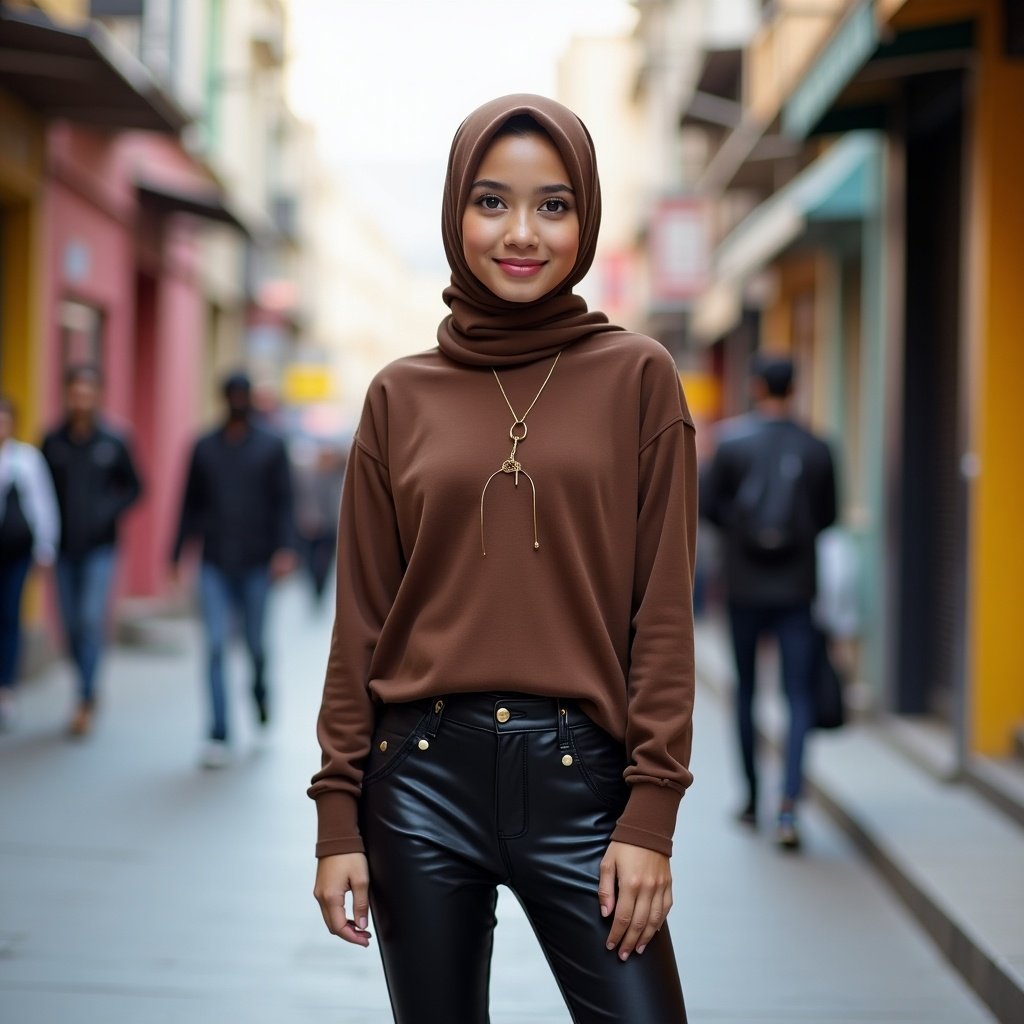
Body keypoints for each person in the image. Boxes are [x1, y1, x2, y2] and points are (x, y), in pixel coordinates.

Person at [309, 95, 697, 1024]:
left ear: (585, 218)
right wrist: (336, 819)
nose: (521, 233)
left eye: (553, 206)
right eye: (492, 202)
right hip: (419, 784)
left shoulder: (639, 378)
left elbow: (665, 615)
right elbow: (361, 619)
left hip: (585, 785)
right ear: (455, 213)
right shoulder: (399, 395)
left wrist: (651, 817)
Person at [699, 353, 836, 850]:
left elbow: (708, 508)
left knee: (747, 690)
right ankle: (790, 803)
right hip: (798, 586)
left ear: (756, 387)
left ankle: (753, 797)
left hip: (744, 586)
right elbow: (828, 516)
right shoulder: (818, 446)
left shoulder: (731, 444)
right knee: (798, 693)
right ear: (795, 388)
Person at [172, 371, 296, 768]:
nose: (239, 400)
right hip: (214, 562)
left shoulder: (272, 446)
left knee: (256, 645)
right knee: (214, 645)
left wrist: (285, 549)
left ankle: (260, 695)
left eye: (244, 394)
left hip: (258, 561)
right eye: (233, 394)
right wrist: (176, 554)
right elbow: (188, 504)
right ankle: (218, 732)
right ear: (223, 398)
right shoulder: (204, 447)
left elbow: (285, 502)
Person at [42, 364, 142, 737]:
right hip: (63, 549)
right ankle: (84, 685)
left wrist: (107, 512)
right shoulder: (53, 441)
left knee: (89, 619)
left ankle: (84, 697)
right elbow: (40, 492)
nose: (81, 397)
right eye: (75, 390)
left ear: (98, 394)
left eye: (88, 390)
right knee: (69, 627)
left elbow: (135, 487)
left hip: (101, 548)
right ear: (67, 393)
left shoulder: (113, 441)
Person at [0, 396, 60, 728]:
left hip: (15, 553)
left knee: (10, 617)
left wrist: (46, 549)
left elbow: (43, 505)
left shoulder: (26, 460)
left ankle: (5, 689)